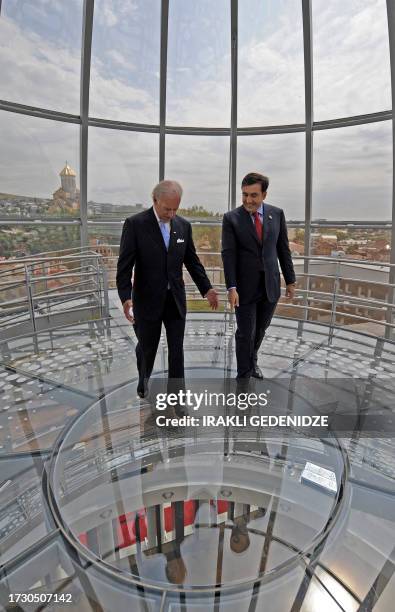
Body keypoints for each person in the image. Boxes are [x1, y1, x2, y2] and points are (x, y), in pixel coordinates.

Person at [117, 180, 218, 397]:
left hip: (175, 301)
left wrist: (207, 289)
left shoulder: (183, 226)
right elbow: (124, 268)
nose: (171, 214)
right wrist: (126, 299)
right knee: (147, 348)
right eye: (167, 209)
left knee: (176, 351)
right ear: (155, 200)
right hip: (146, 301)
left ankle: (178, 396)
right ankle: (143, 381)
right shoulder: (135, 224)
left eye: (175, 209)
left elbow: (192, 261)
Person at [221, 172, 295, 380]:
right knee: (245, 332)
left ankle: (252, 361)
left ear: (264, 194)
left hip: (270, 284)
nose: (248, 200)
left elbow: (283, 250)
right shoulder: (231, 219)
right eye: (244, 195)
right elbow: (228, 255)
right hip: (243, 288)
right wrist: (231, 287)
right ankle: (243, 374)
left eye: (253, 195)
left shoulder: (277, 214)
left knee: (261, 329)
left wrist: (290, 280)